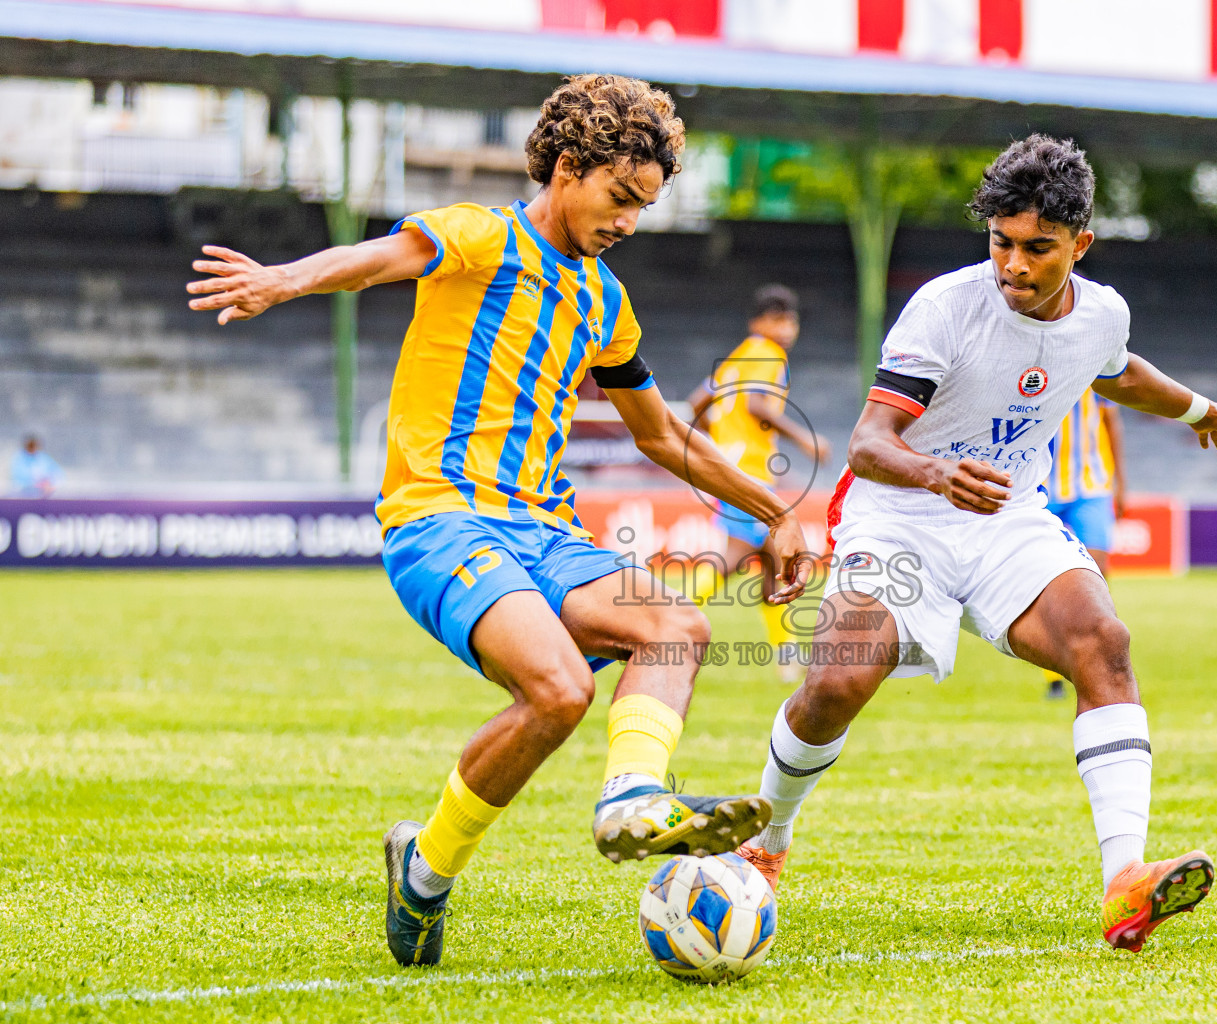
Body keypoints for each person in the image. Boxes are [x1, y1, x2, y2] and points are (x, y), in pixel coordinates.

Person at [186, 74, 811, 969]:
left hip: (543, 531)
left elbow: (664, 432)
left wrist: (775, 509)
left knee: (676, 624)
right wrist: (282, 280)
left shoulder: (607, 303)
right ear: (566, 167)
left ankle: (629, 798)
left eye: (644, 207)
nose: (629, 222)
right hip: (440, 519)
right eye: (619, 198)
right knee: (560, 690)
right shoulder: (480, 235)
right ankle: (432, 870)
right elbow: (377, 259)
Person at [732, 135, 1217, 953]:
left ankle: (1125, 882)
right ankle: (764, 844)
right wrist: (937, 473)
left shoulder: (1102, 312)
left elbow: (1117, 370)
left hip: (1006, 516)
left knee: (1105, 641)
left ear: (1080, 245)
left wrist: (1204, 411)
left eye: (1037, 249)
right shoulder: (947, 306)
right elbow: (867, 442)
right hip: (898, 511)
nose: (1013, 266)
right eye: (1001, 243)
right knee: (839, 680)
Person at [687, 284, 824, 683]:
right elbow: (756, 405)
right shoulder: (768, 354)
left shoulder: (736, 358)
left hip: (728, 463)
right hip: (748, 468)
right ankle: (663, 617)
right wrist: (803, 439)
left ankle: (787, 657)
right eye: (779, 319)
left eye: (791, 320)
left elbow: (698, 403)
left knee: (771, 561)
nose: (787, 328)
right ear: (759, 322)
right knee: (737, 553)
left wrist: (722, 437)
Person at [1042, 390, 1125, 698]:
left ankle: (1100, 653)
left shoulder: (1095, 363)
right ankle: (1053, 674)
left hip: (1091, 485)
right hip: (1041, 485)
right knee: (1043, 575)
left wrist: (1121, 482)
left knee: (1098, 570)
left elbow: (1111, 422)